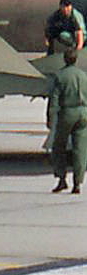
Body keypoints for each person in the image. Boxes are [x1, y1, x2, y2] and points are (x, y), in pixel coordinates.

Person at [46, 48, 87, 194]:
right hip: (83, 113)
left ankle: (62, 179)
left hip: (67, 113)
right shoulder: (83, 75)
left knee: (59, 147)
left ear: (64, 59)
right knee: (81, 149)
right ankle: (78, 183)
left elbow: (55, 98)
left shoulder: (60, 76)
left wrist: (51, 117)